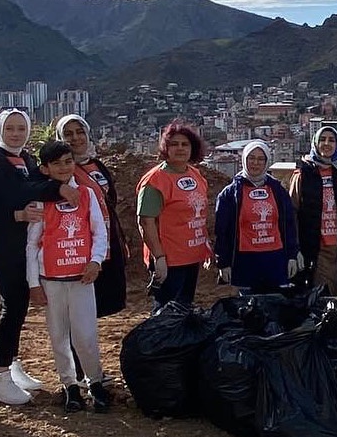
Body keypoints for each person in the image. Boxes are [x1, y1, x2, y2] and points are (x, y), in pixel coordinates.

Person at [0, 109, 74, 405]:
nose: (16, 133)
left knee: (16, 306)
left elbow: (32, 187)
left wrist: (57, 188)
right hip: (0, 244)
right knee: (13, 305)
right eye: (10, 128)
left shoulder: (25, 159)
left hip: (21, 244)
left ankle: (12, 366)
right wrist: (15, 215)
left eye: (21, 128)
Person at [27, 140, 112, 413]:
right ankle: (70, 386)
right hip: (51, 279)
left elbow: (99, 232)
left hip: (81, 279)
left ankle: (95, 382)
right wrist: (33, 283)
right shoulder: (41, 200)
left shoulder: (86, 195)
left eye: (68, 161)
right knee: (59, 337)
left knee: (86, 336)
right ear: (45, 169)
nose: (64, 167)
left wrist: (95, 261)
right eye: (56, 164)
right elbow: (32, 244)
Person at [56, 115, 128, 318]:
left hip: (105, 238)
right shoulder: (61, 173)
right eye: (68, 134)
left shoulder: (97, 165)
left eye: (80, 132)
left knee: (103, 301)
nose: (76, 138)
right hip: (78, 243)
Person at [136, 121, 212, 309]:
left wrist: (205, 243)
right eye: (174, 144)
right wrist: (159, 257)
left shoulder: (195, 175)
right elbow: (146, 221)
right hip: (170, 261)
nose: (180, 148)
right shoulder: (156, 180)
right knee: (166, 312)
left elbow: (199, 214)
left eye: (185, 144)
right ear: (165, 148)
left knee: (184, 309)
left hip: (191, 256)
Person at [213, 140, 300, 292]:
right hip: (244, 262)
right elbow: (222, 232)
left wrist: (292, 254)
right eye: (251, 158)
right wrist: (223, 262)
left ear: (267, 162)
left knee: (275, 307)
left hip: (275, 261)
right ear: (244, 160)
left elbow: (288, 225)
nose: (255, 163)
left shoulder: (278, 190)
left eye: (261, 159)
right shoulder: (230, 194)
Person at [289, 126, 337, 295]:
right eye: (322, 139)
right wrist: (295, 247)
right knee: (321, 291)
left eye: (331, 140)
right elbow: (292, 211)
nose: (327, 144)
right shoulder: (303, 173)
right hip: (314, 245)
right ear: (315, 143)